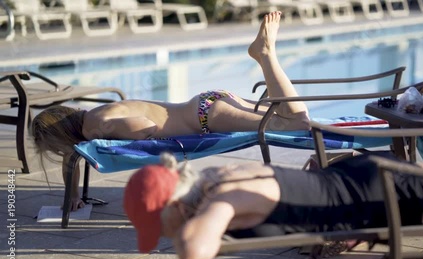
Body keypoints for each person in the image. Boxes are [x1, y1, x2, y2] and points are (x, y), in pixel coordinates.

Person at [32, 11, 309, 211]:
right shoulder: (92, 117)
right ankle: (265, 54)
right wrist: (73, 195)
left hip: (205, 117)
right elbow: (75, 156)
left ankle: (265, 55)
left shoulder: (96, 125)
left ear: (58, 135)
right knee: (295, 120)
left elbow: (146, 127)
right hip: (207, 105)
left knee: (295, 125)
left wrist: (121, 143)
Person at [124, 152, 423, 259]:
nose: (161, 237)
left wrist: (193, 222)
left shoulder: (225, 198)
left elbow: (194, 253)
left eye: (157, 227)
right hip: (361, 175)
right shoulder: (215, 177)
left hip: (384, 195)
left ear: (173, 204)